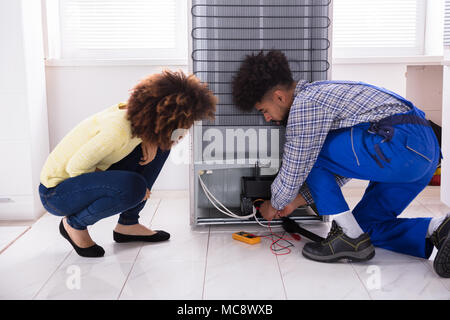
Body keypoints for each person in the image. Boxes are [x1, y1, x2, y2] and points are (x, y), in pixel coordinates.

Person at [231, 50, 449, 278]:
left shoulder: (306, 104)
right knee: (367, 227)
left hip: (402, 143)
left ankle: (349, 235)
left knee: (309, 154)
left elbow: (297, 166)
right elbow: (346, 166)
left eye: (264, 110)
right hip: (422, 155)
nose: (266, 118)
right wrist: (295, 202)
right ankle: (439, 227)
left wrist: (275, 203)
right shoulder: (323, 97)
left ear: (279, 97)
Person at [39, 70, 217, 258]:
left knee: (162, 148)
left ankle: (128, 224)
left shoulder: (134, 116)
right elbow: (75, 168)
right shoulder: (118, 132)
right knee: (133, 187)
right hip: (56, 193)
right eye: (183, 126)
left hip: (75, 182)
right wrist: (125, 187)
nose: (185, 132)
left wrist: (149, 140)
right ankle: (74, 225)